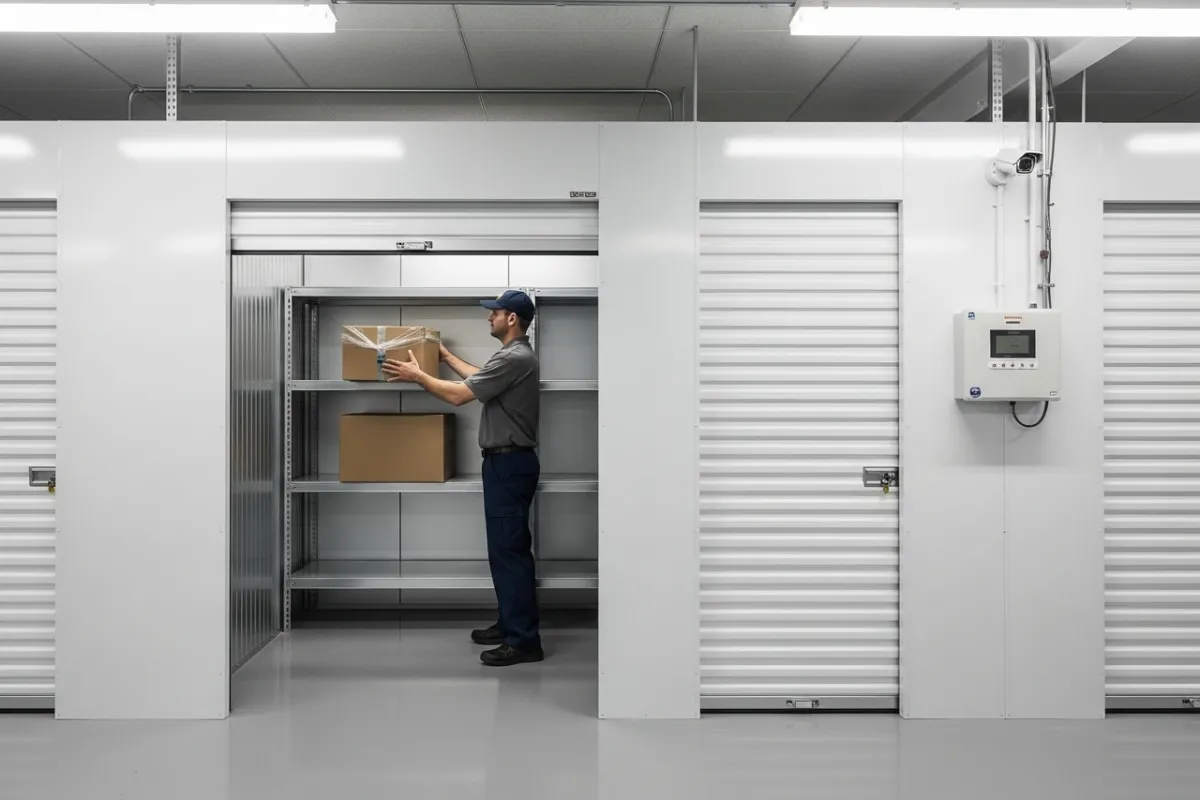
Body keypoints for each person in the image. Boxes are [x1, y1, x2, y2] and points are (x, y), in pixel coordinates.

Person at [380, 290, 543, 667]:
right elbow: (478, 380)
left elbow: (458, 396)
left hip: (510, 464)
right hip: (505, 463)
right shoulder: (511, 357)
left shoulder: (516, 356)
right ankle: (510, 624)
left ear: (512, 319)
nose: (490, 318)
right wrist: (447, 357)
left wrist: (418, 376)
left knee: (510, 553)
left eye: (495, 313)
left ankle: (524, 641)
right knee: (503, 552)